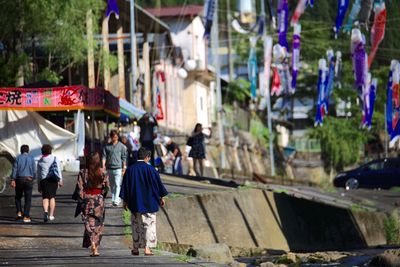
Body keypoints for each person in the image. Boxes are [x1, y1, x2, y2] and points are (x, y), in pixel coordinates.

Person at [119, 147, 168, 256]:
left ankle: (135, 248)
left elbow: (125, 186)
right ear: (147, 157)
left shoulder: (130, 170)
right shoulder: (151, 170)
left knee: (136, 225)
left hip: (135, 202)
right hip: (149, 202)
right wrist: (161, 197)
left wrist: (125, 201)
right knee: (149, 225)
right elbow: (158, 185)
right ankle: (147, 248)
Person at [74, 152, 109, 257]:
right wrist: (101, 196)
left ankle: (92, 243)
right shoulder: (103, 172)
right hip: (99, 200)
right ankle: (96, 248)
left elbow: (79, 187)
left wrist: (82, 197)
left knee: (88, 223)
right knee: (99, 223)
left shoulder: (83, 172)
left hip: (87, 199)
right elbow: (106, 187)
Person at [37, 144, 63, 222]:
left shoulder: (40, 160)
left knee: (45, 197)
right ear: (50, 150)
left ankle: (45, 212)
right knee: (52, 197)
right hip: (53, 180)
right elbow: (58, 169)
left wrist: (39, 184)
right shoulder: (54, 158)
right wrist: (60, 179)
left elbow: (38, 173)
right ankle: (51, 215)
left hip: (44, 180)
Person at [10, 145, 36, 223]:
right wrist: (33, 178)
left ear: (21, 151)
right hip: (28, 179)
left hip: (19, 179)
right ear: (28, 151)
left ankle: (19, 212)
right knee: (28, 199)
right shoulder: (31, 158)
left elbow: (15, 168)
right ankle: (26, 216)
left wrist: (13, 179)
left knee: (18, 197)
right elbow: (34, 169)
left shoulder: (18, 158)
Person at [102, 130, 127, 207]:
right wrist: (103, 166)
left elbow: (124, 158)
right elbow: (104, 157)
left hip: (118, 168)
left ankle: (116, 199)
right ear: (111, 137)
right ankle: (114, 197)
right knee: (112, 185)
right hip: (109, 168)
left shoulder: (122, 146)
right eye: (113, 136)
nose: (114, 138)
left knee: (117, 184)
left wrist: (124, 167)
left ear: (118, 137)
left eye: (116, 136)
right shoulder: (107, 147)